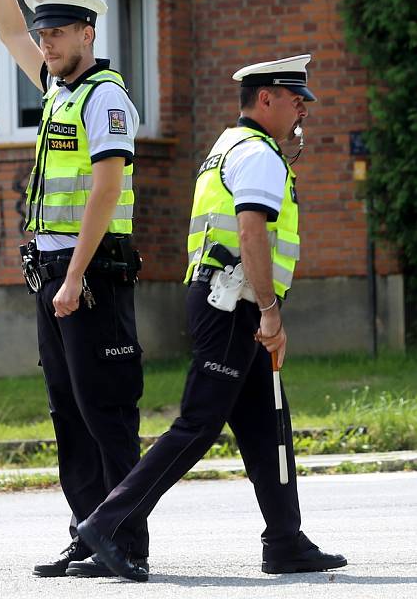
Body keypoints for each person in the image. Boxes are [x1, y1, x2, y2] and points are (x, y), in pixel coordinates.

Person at [77, 54, 347, 582]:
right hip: (236, 304)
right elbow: (250, 235)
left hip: (223, 299)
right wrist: (270, 313)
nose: (302, 113)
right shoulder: (259, 154)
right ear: (264, 99)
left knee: (266, 422)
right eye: (296, 101)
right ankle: (108, 523)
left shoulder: (229, 145)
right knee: (199, 424)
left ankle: (286, 540)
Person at [0, 0, 148, 579]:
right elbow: (6, 28)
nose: (42, 45)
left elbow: (105, 191)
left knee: (105, 408)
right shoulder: (57, 90)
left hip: (92, 273)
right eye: (41, 37)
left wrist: (74, 276)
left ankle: (125, 542)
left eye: (56, 35)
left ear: (86, 32)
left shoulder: (104, 96)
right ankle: (88, 530)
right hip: (52, 271)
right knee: (67, 410)